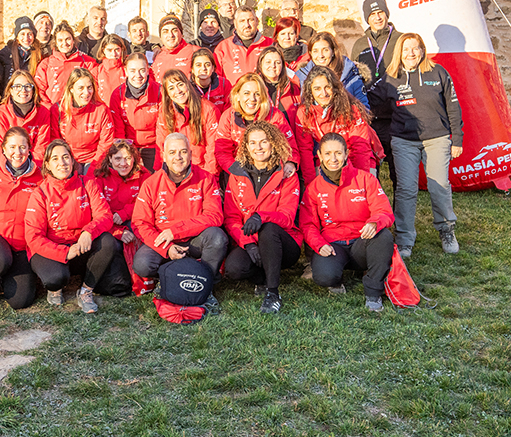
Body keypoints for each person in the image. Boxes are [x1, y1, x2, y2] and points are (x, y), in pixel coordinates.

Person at [376, 32, 464, 257]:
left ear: (423, 50)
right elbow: (370, 100)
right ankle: (404, 238)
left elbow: (453, 106)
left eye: (415, 48)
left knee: (439, 185)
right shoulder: (390, 77)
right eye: (406, 49)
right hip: (404, 141)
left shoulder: (437, 72)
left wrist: (457, 139)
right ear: (399, 53)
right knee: (406, 189)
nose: (411, 53)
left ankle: (446, 230)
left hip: (437, 138)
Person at [130, 133, 227, 308]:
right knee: (142, 264)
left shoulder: (206, 178)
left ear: (190, 154)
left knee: (217, 237)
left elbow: (215, 216)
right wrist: (166, 249)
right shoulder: (151, 183)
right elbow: (140, 223)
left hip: (195, 241)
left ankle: (206, 286)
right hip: (164, 241)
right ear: (164, 156)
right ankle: (169, 279)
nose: (178, 157)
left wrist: (176, 231)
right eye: (172, 152)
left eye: (183, 152)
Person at [300, 133, 395, 312]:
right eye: (327, 154)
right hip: (334, 246)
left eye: (338, 153)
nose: (333, 159)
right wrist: (319, 245)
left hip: (362, 242)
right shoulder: (314, 188)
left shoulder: (365, 179)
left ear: (346, 154)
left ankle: (373, 292)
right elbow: (307, 225)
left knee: (384, 236)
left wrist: (374, 223)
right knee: (323, 277)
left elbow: (384, 212)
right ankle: (336, 279)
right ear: (319, 155)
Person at [25, 140, 118, 312]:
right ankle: (55, 289)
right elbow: (33, 237)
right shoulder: (40, 193)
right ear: (48, 165)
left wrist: (88, 232)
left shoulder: (87, 183)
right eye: (55, 159)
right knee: (56, 278)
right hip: (53, 248)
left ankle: (85, 291)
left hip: (81, 245)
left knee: (108, 242)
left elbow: (105, 215)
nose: (62, 163)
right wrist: (65, 252)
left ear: (73, 161)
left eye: (66, 157)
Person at [222, 122, 302, 314]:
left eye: (264, 142)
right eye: (253, 143)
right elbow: (231, 218)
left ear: (273, 143)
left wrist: (261, 216)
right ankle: (261, 278)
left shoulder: (286, 174)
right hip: (251, 239)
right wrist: (247, 243)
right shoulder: (236, 174)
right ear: (246, 147)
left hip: (284, 242)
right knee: (234, 268)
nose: (258, 147)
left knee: (269, 228)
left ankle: (272, 293)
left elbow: (288, 217)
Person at [0, 127, 44, 308]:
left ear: (29, 149)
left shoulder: (41, 175)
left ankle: (7, 276)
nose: (17, 153)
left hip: (22, 242)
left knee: (21, 301)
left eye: (22, 147)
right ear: (3, 149)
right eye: (12, 147)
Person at [352, 0, 404, 185]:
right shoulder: (359, 44)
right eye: (372, 14)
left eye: (380, 12)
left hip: (397, 114)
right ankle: (376, 211)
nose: (377, 17)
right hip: (371, 116)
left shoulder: (400, 40)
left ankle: (400, 214)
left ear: (387, 13)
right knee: (371, 170)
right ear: (367, 18)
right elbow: (354, 77)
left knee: (398, 173)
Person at [293, 66, 375, 184]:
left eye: (327, 87)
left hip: (352, 160)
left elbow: (360, 147)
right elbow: (305, 150)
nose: (323, 93)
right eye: (317, 89)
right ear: (310, 90)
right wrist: (310, 185)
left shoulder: (350, 109)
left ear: (335, 88)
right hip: (324, 162)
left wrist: (360, 181)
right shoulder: (304, 112)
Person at [93, 140, 151, 293]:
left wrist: (124, 213)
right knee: (114, 245)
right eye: (118, 158)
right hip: (109, 225)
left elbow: (145, 203)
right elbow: (98, 210)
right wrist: (117, 231)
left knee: (142, 237)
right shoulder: (100, 178)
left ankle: (146, 278)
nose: (123, 163)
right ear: (110, 159)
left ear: (134, 158)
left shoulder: (144, 176)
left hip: (135, 220)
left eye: (127, 158)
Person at [214, 73, 298, 174]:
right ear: (238, 95)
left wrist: (290, 162)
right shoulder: (228, 116)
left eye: (257, 94)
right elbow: (222, 151)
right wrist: (238, 171)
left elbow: (290, 147)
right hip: (238, 173)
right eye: (246, 93)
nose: (252, 98)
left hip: (269, 173)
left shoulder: (275, 116)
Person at [156, 69, 219, 174]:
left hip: (201, 170)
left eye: (180, 84)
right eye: (171, 88)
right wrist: (162, 173)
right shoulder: (165, 112)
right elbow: (161, 145)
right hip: (176, 171)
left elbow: (213, 148)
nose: (178, 91)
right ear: (167, 93)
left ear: (187, 84)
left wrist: (209, 177)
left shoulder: (208, 109)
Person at [57, 67, 116, 173]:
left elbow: (106, 142)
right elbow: (55, 141)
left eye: (89, 87)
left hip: (94, 158)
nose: (86, 92)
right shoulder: (58, 110)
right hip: (68, 159)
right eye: (81, 88)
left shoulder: (101, 109)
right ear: (71, 88)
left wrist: (94, 166)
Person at [0, 70, 59, 161]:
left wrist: (27, 166)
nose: (23, 90)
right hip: (8, 164)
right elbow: (0, 148)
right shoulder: (0, 114)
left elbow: (41, 147)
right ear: (10, 90)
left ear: (33, 90)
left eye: (27, 86)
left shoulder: (43, 112)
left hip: (34, 164)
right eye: (17, 86)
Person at [110, 53, 162, 170]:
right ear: (126, 71)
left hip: (154, 145)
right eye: (132, 71)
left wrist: (160, 153)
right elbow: (118, 129)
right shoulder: (117, 94)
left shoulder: (159, 91)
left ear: (148, 70)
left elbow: (163, 127)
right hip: (129, 145)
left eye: (142, 70)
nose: (138, 75)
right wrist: (124, 152)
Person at [294, 31, 369, 108]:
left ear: (333, 51)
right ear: (310, 53)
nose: (320, 55)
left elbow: (364, 108)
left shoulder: (350, 74)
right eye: (315, 51)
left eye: (325, 50)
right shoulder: (302, 76)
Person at [34, 22, 98, 105]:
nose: (64, 43)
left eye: (68, 39)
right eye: (60, 40)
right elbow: (39, 89)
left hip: (81, 111)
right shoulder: (46, 64)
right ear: (56, 43)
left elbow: (96, 87)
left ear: (73, 40)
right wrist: (48, 107)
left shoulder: (88, 62)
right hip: (54, 111)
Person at [213, 5, 273, 85]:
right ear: (235, 23)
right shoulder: (223, 47)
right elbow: (216, 80)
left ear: (257, 21)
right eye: (242, 21)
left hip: (264, 95)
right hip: (233, 96)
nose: (247, 25)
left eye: (250, 20)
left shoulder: (271, 44)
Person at [0, 16, 45, 95]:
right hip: (10, 97)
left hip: (31, 97)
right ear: (17, 36)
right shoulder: (6, 53)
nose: (26, 38)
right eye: (22, 34)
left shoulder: (39, 54)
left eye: (30, 34)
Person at [257, 46, 302, 123]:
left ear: (283, 66)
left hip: (287, 133)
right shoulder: (254, 87)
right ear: (260, 64)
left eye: (277, 62)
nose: (273, 66)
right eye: (268, 62)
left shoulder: (292, 88)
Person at [151, 14, 195, 82]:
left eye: (174, 30)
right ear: (160, 37)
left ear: (181, 33)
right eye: (165, 31)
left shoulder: (194, 51)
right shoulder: (156, 55)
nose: (171, 35)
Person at [190, 47, 230, 116]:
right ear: (192, 69)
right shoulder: (187, 87)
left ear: (213, 68)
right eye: (198, 65)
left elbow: (229, 113)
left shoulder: (224, 84)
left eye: (207, 65)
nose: (203, 68)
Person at [91, 34, 127, 106]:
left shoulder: (128, 67)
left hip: (124, 111)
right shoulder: (97, 70)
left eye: (117, 50)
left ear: (122, 49)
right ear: (103, 50)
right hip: (105, 111)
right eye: (109, 50)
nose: (114, 54)